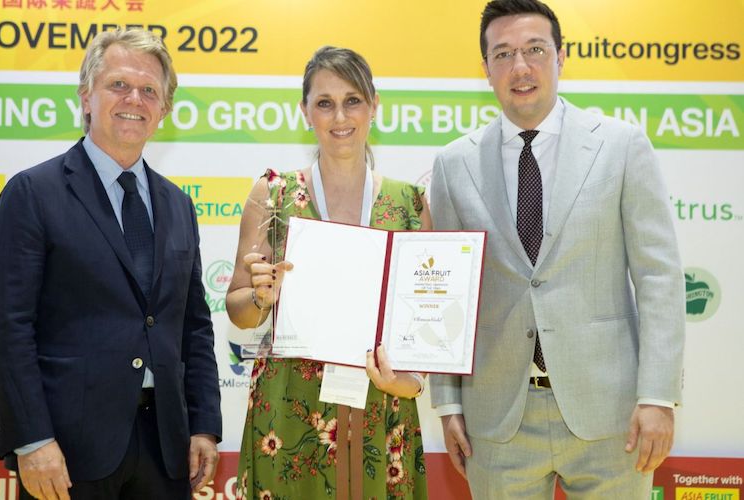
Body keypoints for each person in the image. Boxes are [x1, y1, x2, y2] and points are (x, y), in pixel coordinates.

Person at [429, 0, 685, 497]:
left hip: (613, 416)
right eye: (503, 54)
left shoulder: (621, 146)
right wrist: (449, 403)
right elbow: (446, 296)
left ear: (561, 57)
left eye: (535, 50)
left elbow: (658, 277)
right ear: (485, 69)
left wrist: (658, 396)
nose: (520, 67)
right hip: (497, 422)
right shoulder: (453, 164)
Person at [0, 29, 221, 500]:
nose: (134, 99)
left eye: (149, 90)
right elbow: (10, 328)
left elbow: (193, 325)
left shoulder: (178, 205)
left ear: (164, 110)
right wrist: (32, 440)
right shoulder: (32, 194)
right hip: (66, 451)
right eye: (118, 85)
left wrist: (204, 425)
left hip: (166, 448)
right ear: (86, 96)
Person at [225, 46, 431, 499]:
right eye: (324, 103)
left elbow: (425, 325)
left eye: (352, 100)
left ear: (374, 106)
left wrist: (407, 383)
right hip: (289, 408)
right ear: (305, 111)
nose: (340, 116)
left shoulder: (410, 204)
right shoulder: (273, 194)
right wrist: (260, 296)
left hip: (382, 403)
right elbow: (239, 311)